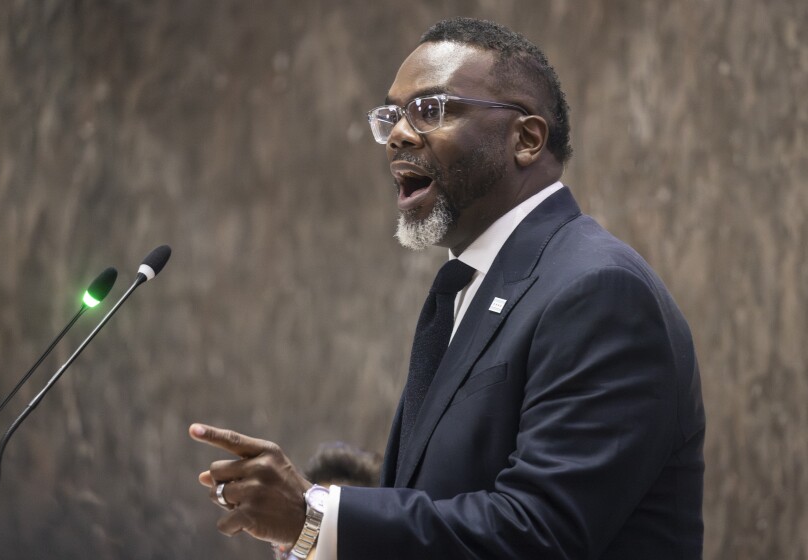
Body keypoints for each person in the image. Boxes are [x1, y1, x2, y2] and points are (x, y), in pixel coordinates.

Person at [190, 17, 705, 560]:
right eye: (391, 116)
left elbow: (542, 532)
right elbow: (433, 505)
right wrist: (313, 539)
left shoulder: (599, 290)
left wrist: (317, 517)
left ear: (526, 139)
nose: (398, 136)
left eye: (430, 110)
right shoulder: (469, 289)